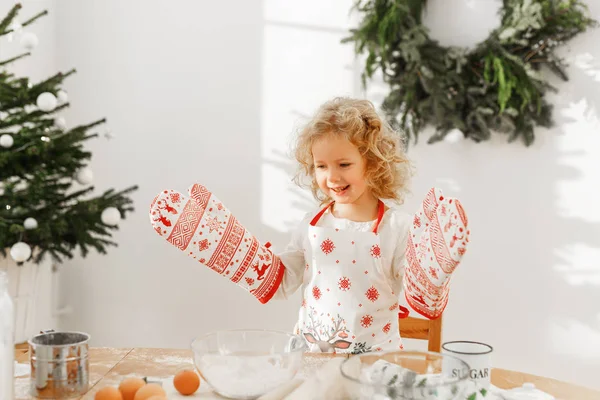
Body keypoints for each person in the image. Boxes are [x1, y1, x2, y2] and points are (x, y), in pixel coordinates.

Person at [149, 97, 469, 355]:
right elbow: (282, 281)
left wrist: (429, 273)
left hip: (376, 363)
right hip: (309, 358)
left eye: (344, 164)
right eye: (321, 166)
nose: (332, 177)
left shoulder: (396, 228)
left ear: (373, 163)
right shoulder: (311, 224)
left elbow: (416, 296)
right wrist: (233, 251)